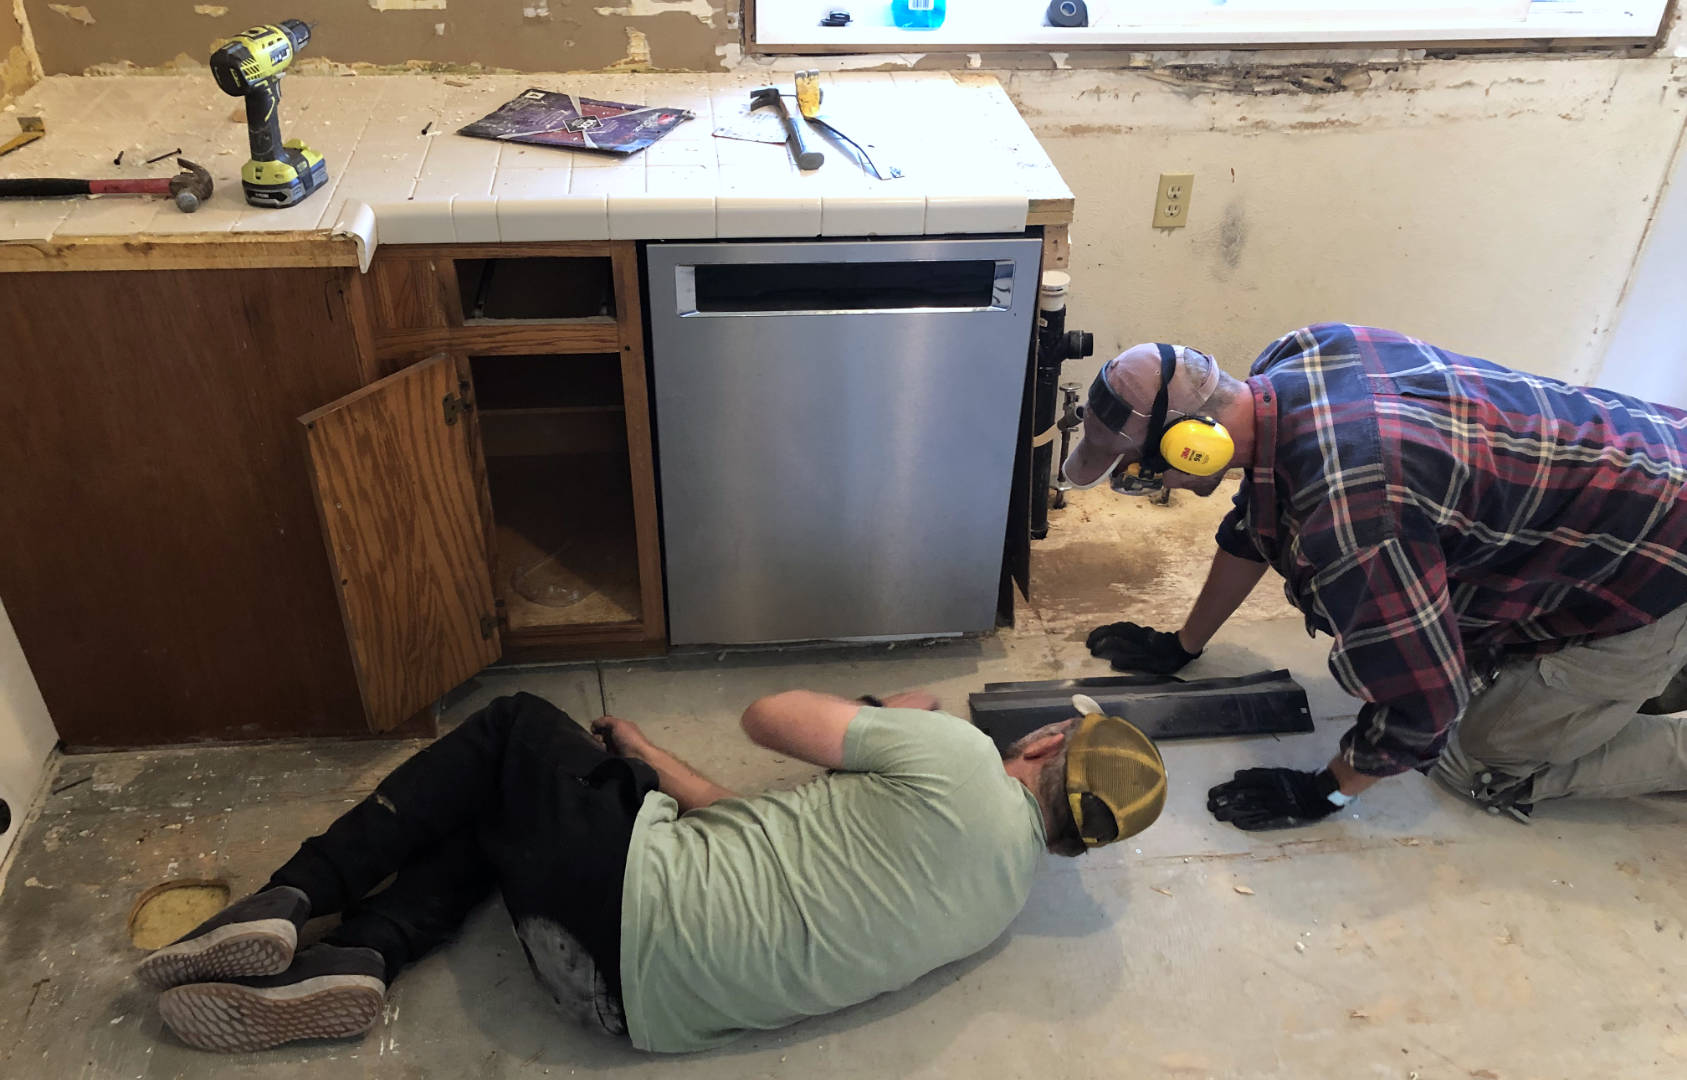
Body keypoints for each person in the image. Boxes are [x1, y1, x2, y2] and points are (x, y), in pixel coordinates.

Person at [135, 689, 1166, 1053]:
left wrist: (892, 717)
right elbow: (750, 827)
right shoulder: (995, 902)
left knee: (507, 736)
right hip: (628, 1007)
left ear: (1039, 749)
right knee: (511, 815)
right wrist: (644, 765)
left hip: (632, 899)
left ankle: (295, 895)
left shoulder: (956, 759)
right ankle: (363, 956)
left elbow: (766, 719)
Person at [1060, 323, 1687, 830]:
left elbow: (1424, 702)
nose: (1144, 487)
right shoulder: (1300, 356)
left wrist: (1328, 793)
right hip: (1647, 471)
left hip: (1653, 564)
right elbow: (1257, 522)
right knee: (1496, 671)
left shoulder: (1354, 511)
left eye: (1142, 471)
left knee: (1474, 761)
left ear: (1192, 445)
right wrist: (1181, 646)